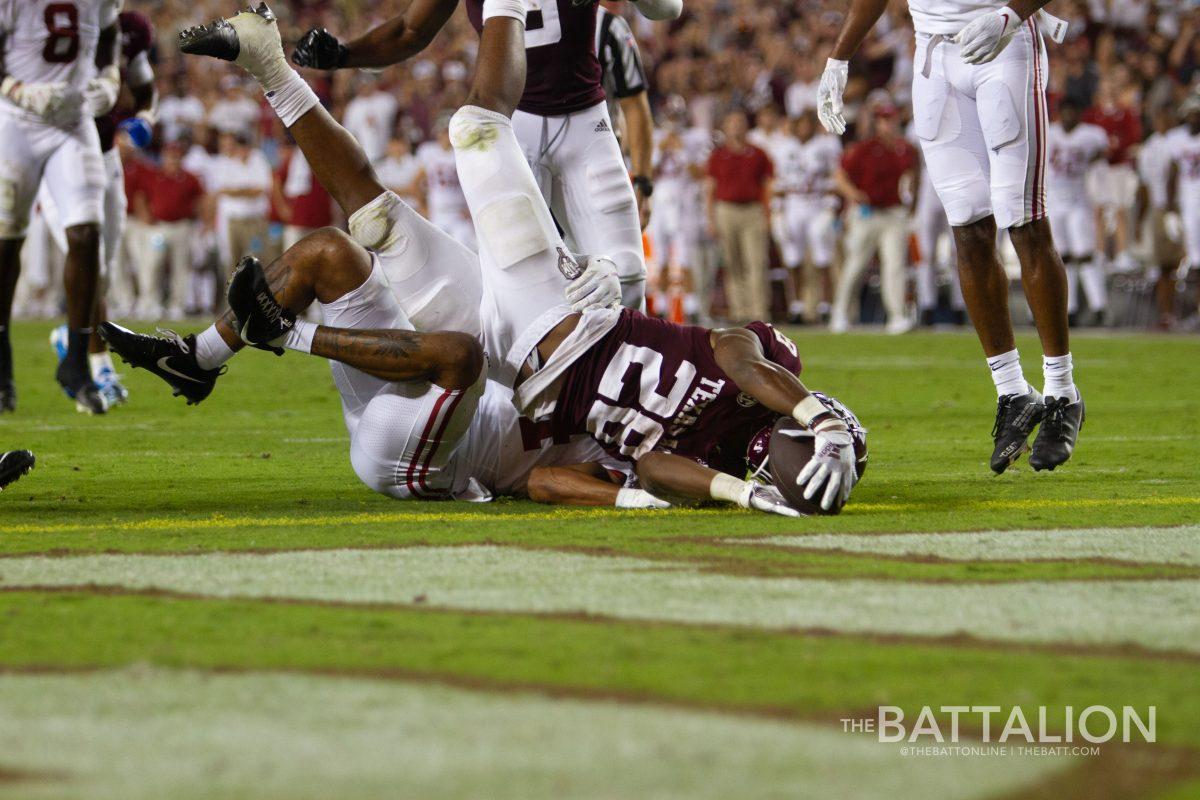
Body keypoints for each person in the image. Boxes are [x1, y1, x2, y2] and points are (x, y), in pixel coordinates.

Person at [167, 2, 861, 515]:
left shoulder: (711, 458)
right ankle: (275, 66)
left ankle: (267, 77)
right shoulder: (765, 368)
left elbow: (650, 468)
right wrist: (819, 420)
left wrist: (739, 494)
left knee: (398, 200)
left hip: (516, 364)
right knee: (440, 159)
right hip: (557, 318)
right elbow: (743, 357)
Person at [818, 0, 1085, 474]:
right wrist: (838, 58)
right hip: (934, 56)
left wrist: (1010, 15)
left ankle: (1063, 391)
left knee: (1022, 220)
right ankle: (1012, 392)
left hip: (1003, 43)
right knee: (967, 228)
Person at [288, 0, 679, 309]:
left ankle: (630, 399)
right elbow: (411, 28)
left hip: (585, 124)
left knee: (626, 278)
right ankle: (540, 403)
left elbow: (667, 9)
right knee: (524, 288)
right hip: (512, 129)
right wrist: (344, 53)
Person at [0, 0, 124, 415]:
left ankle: (76, 362)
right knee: (6, 242)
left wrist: (109, 76)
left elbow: (108, 32)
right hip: (15, 118)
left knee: (87, 234)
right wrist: (15, 88)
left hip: (73, 120)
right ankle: (1, 365)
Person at [44, 8, 157, 407]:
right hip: (53, 158)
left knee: (103, 273)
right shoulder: (42, 17)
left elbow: (145, 90)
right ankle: (96, 366)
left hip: (105, 158)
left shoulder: (130, 27)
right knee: (93, 261)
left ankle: (70, 337)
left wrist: (145, 119)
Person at [830, 103, 917, 335]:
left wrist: (912, 208)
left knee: (895, 264)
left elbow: (914, 178)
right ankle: (840, 312)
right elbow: (840, 175)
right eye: (883, 120)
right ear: (877, 123)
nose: (888, 125)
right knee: (856, 264)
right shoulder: (865, 148)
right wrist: (853, 195)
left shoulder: (906, 149)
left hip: (893, 213)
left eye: (891, 119)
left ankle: (897, 315)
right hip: (866, 213)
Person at [705, 110, 774, 322]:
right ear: (725, 128)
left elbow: (768, 185)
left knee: (756, 262)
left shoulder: (758, 153)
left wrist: (768, 213)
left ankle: (758, 311)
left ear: (746, 126)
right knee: (732, 263)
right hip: (726, 210)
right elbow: (710, 188)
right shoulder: (718, 156)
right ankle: (739, 310)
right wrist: (711, 219)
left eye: (739, 122)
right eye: (731, 123)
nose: (735, 127)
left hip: (752, 210)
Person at [773, 111, 841, 323]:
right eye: (799, 124)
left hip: (816, 203)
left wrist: (831, 208)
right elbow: (778, 181)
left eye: (807, 124)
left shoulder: (826, 146)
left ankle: (825, 305)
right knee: (793, 257)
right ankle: (797, 305)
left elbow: (835, 177)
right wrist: (777, 210)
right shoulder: (783, 148)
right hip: (794, 203)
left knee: (823, 256)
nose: (803, 128)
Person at [1045, 100, 1108, 326]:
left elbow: (1103, 152)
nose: (1069, 115)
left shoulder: (1091, 135)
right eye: (1066, 110)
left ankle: (1098, 306)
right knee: (1063, 257)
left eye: (1073, 110)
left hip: (1078, 201)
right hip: (1054, 202)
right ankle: (1069, 309)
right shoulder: (1050, 132)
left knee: (1085, 255)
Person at [595, 1, 654, 231]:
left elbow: (635, 107)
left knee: (614, 259)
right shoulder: (517, 16)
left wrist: (642, 181)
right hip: (535, 164)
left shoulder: (608, 27)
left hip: (599, 163)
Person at [132, 140, 204, 318]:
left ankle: (176, 305)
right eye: (169, 156)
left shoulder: (189, 178)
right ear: (164, 158)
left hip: (182, 226)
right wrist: (145, 216)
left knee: (180, 267)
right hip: (159, 227)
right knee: (152, 264)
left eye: (175, 156)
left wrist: (202, 221)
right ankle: (150, 302)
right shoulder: (155, 176)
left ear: (180, 158)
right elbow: (140, 196)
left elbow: (202, 199)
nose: (172, 160)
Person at [1136, 108, 1186, 329]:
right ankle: (1167, 315)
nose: (1162, 121)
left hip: (1185, 207)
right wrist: (1140, 218)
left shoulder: (1180, 140)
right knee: (1165, 265)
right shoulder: (1149, 147)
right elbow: (1144, 185)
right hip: (1161, 209)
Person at [414, 120, 475, 249]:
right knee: (438, 251)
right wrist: (422, 205)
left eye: (447, 132)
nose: (445, 135)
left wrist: (471, 208)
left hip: (459, 213)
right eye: (442, 132)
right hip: (438, 213)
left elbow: (475, 184)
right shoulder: (428, 151)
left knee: (464, 249)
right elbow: (415, 183)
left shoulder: (463, 153)